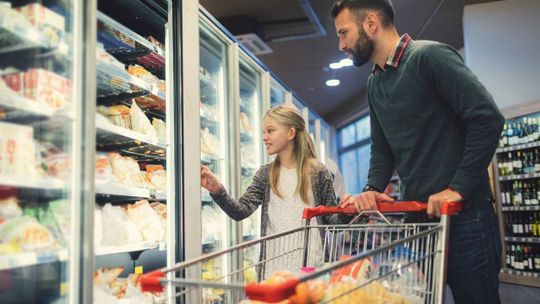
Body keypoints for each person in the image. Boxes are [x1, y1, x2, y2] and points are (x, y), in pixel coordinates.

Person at [331, 1, 504, 303]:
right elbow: (383, 149)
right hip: (421, 221)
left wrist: (457, 188)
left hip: (466, 218)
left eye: (344, 33)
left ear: (371, 23)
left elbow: (487, 118)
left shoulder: (429, 57)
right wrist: (372, 189)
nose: (341, 44)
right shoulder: (375, 83)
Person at [201, 105, 348, 276]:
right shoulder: (266, 174)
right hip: (273, 272)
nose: (264, 137)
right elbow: (241, 211)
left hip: (312, 269)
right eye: (263, 132)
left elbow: (332, 221)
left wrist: (348, 211)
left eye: (270, 131)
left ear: (291, 133)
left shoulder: (318, 172)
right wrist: (217, 190)